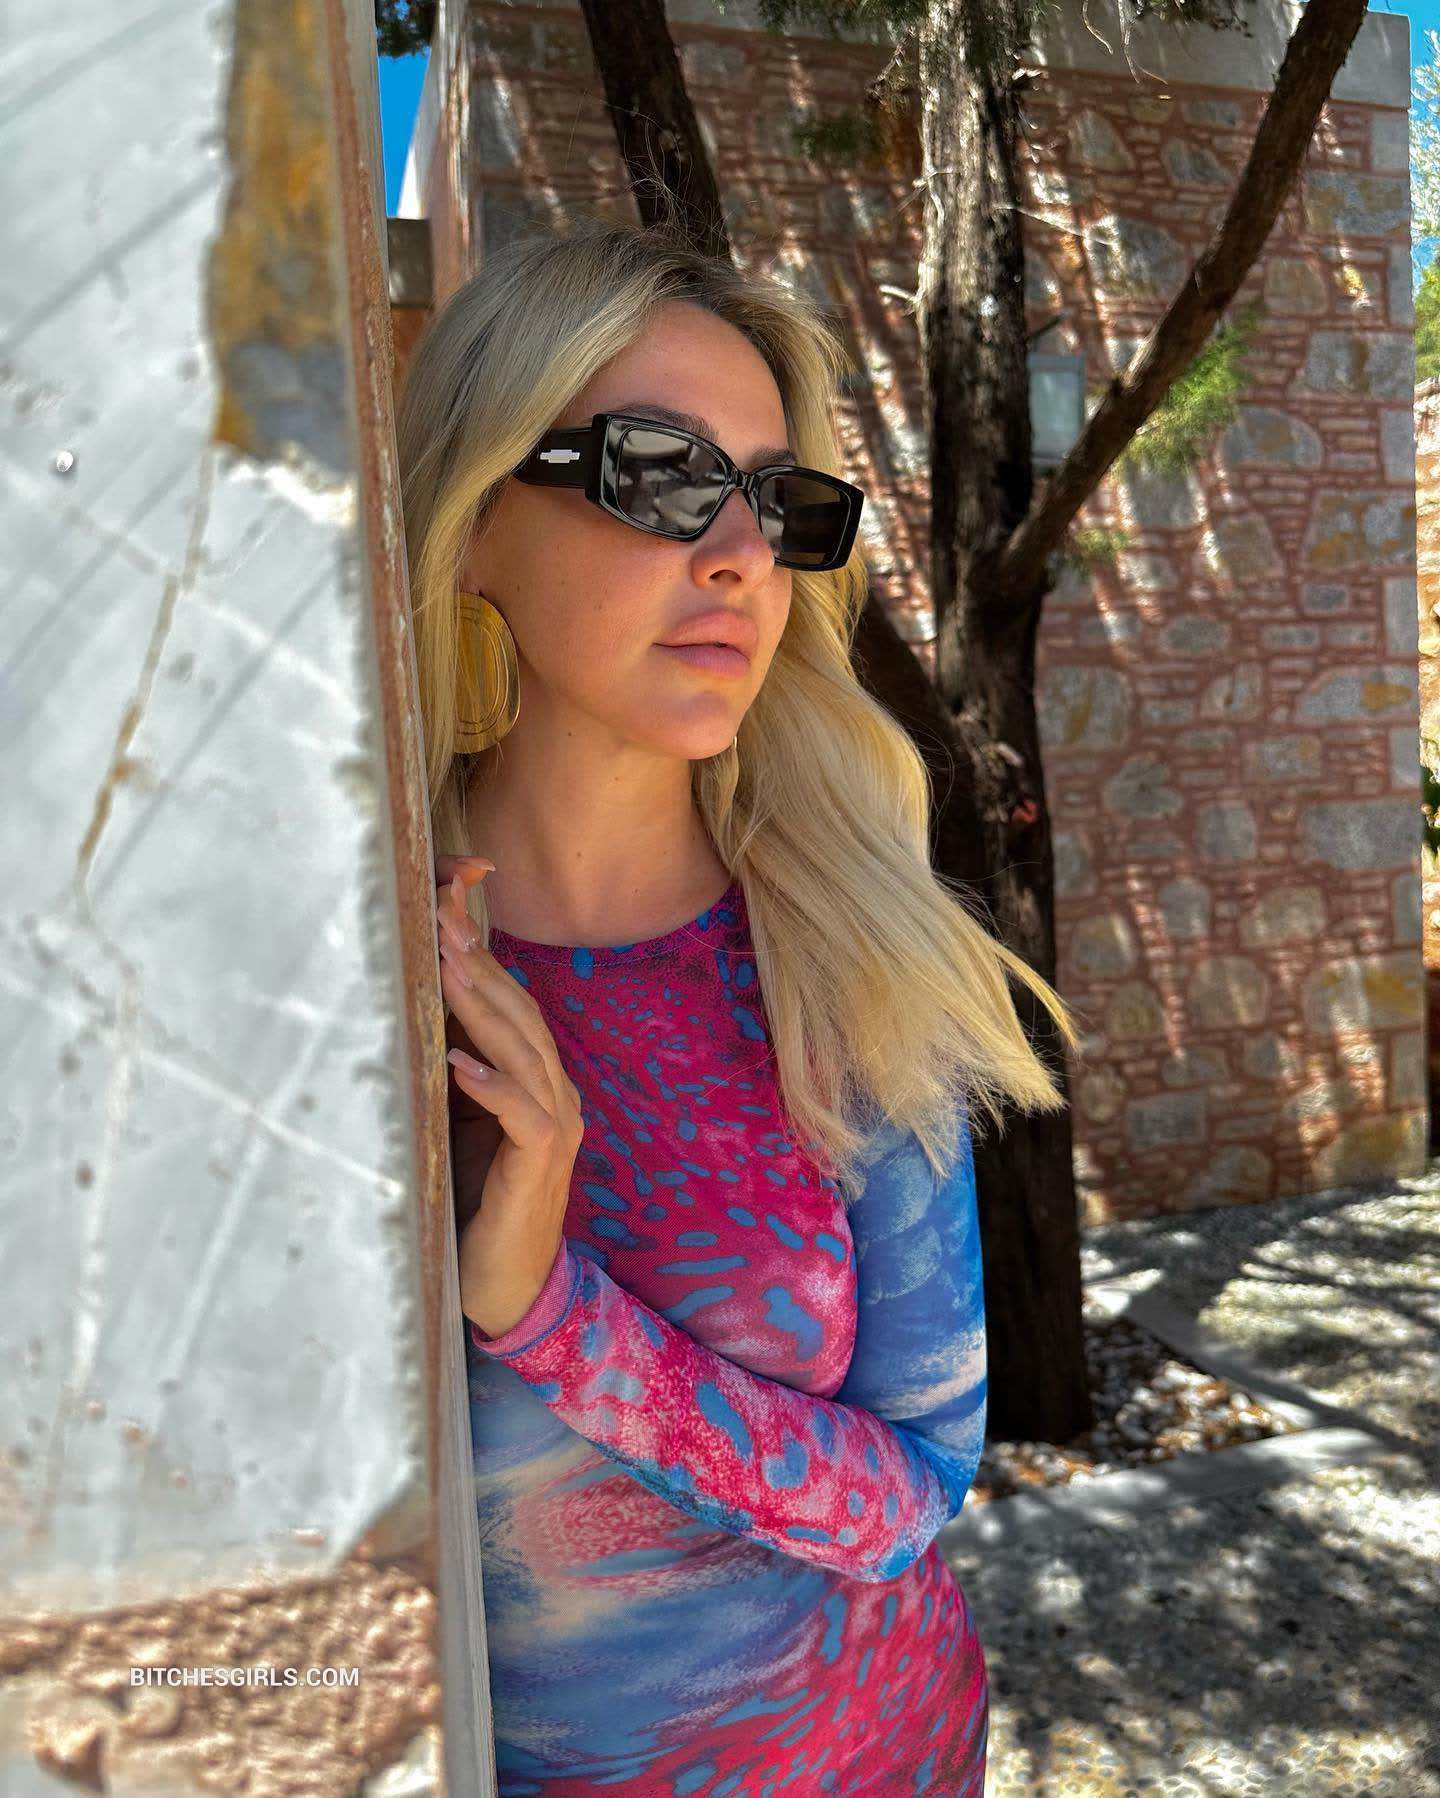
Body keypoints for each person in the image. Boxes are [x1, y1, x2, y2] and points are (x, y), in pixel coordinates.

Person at [394, 215, 1078, 1797]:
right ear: (476, 514)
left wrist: (548, 1311)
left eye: (777, 502)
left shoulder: (847, 950)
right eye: (658, 471)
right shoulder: (343, 948)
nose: (740, 554)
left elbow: (913, 1491)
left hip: (892, 1752)